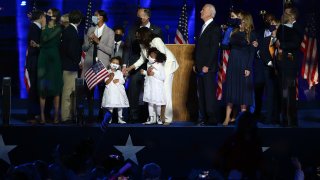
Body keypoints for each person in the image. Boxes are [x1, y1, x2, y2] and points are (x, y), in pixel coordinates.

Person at [126, 27, 179, 125]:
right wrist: (130, 68)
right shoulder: (142, 44)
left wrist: (153, 69)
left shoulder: (156, 40)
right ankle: (153, 118)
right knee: (153, 92)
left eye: (138, 36)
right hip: (154, 68)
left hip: (167, 66)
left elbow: (163, 56)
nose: (137, 37)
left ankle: (168, 118)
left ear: (144, 35)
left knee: (165, 92)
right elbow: (142, 59)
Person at [123, 8, 162, 123]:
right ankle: (133, 115)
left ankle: (151, 116)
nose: (139, 18)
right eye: (138, 16)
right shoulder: (132, 30)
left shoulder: (157, 30)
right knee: (134, 85)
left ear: (147, 17)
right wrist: (127, 66)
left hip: (154, 65)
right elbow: (128, 49)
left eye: (141, 16)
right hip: (138, 64)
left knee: (152, 89)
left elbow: (160, 53)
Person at [223, 12, 258, 126]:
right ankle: (227, 118)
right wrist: (228, 29)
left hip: (243, 64)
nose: (238, 20)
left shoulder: (251, 34)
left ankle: (241, 119)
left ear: (245, 20)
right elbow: (225, 44)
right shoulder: (234, 31)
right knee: (231, 90)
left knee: (243, 92)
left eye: (240, 18)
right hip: (233, 63)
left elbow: (252, 53)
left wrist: (248, 67)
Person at [80, 10, 115, 121]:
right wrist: (90, 41)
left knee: (102, 92)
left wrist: (98, 42)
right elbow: (84, 48)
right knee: (89, 90)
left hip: (102, 64)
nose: (94, 17)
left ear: (102, 17)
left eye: (96, 15)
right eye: (94, 15)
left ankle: (101, 114)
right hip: (90, 63)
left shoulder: (110, 32)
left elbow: (110, 51)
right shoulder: (90, 30)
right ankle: (89, 115)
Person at [275, 6, 304, 127]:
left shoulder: (298, 27)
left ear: (293, 15)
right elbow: (278, 40)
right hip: (282, 62)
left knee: (290, 91)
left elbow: (296, 43)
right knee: (283, 91)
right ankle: (284, 118)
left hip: (291, 63)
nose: (284, 14)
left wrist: (282, 45)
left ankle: (291, 118)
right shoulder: (281, 27)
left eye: (287, 13)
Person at [194, 4, 221, 126]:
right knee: (202, 95)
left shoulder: (214, 27)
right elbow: (200, 49)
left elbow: (214, 49)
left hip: (208, 68)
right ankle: (203, 118)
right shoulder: (203, 26)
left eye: (203, 9)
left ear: (210, 13)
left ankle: (212, 120)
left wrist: (207, 65)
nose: (200, 11)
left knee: (209, 94)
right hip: (200, 67)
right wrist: (196, 64)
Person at [36, 8, 63, 124]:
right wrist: (38, 45)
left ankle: (56, 115)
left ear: (55, 16)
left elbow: (46, 38)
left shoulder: (58, 28)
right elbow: (42, 42)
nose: (47, 14)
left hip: (54, 59)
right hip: (43, 58)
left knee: (56, 87)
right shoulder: (44, 27)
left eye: (50, 13)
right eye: (47, 12)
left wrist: (43, 28)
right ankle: (42, 116)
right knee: (42, 87)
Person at [258, 17, 281, 125]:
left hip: (280, 70)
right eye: (272, 25)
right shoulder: (265, 39)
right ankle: (268, 117)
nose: (274, 27)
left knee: (278, 93)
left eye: (275, 25)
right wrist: (269, 63)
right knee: (270, 93)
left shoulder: (281, 40)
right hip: (268, 69)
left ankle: (277, 117)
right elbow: (262, 52)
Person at [253, 13, 276, 123]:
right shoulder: (258, 32)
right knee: (258, 91)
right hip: (260, 67)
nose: (269, 22)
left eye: (271, 20)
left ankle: (270, 116)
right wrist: (258, 52)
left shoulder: (278, 33)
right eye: (267, 20)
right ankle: (257, 113)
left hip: (271, 67)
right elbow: (255, 48)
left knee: (271, 92)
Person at [60, 10, 82, 123]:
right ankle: (65, 117)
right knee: (68, 93)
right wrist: (78, 61)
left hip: (70, 66)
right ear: (79, 20)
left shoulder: (70, 30)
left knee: (73, 93)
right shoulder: (71, 31)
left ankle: (72, 115)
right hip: (69, 67)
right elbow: (71, 50)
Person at [26, 10, 45, 122]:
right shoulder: (35, 27)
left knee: (36, 90)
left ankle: (35, 114)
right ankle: (31, 115)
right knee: (33, 90)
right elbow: (35, 45)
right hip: (34, 63)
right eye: (45, 17)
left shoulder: (34, 27)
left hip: (36, 62)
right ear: (41, 17)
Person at [140, 48, 166, 124]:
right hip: (149, 87)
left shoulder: (160, 65)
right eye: (150, 55)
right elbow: (149, 75)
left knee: (158, 103)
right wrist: (145, 72)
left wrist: (154, 74)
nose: (152, 57)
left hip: (157, 87)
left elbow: (163, 77)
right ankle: (151, 118)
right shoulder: (148, 64)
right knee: (150, 102)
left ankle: (159, 118)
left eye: (153, 55)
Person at [101, 57, 128, 124]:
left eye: (117, 63)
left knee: (120, 106)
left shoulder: (119, 72)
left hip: (119, 92)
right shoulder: (107, 72)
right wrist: (110, 78)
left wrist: (118, 80)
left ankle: (120, 118)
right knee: (110, 106)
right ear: (110, 63)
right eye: (113, 63)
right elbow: (106, 82)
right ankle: (109, 119)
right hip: (110, 92)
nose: (115, 64)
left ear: (119, 65)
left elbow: (123, 81)